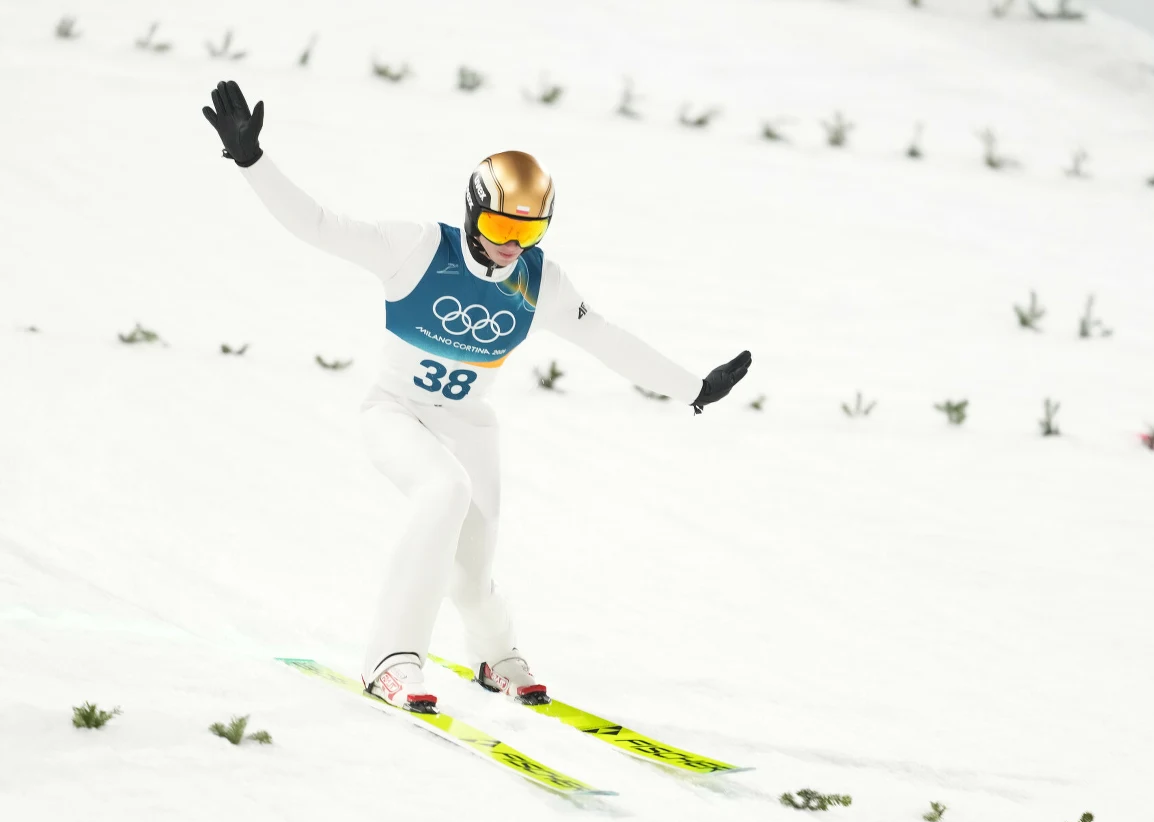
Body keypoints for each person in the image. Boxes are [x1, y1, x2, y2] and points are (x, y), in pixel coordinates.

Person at [202, 80, 752, 714]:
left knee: (469, 574)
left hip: (469, 427)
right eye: (496, 224)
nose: (509, 245)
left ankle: (496, 655)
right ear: (471, 209)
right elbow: (319, 226)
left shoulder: (537, 282)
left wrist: (695, 388)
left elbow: (607, 340)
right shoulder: (416, 248)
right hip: (395, 413)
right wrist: (252, 160)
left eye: (529, 232)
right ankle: (391, 659)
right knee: (443, 492)